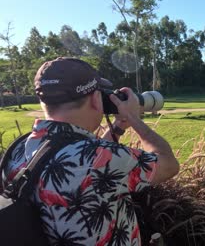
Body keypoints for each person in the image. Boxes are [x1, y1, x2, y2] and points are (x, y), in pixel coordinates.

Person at [2, 57, 179, 245]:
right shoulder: (101, 159)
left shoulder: (18, 149)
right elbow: (169, 164)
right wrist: (133, 118)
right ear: (96, 99)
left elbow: (79, 160)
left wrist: (118, 127)